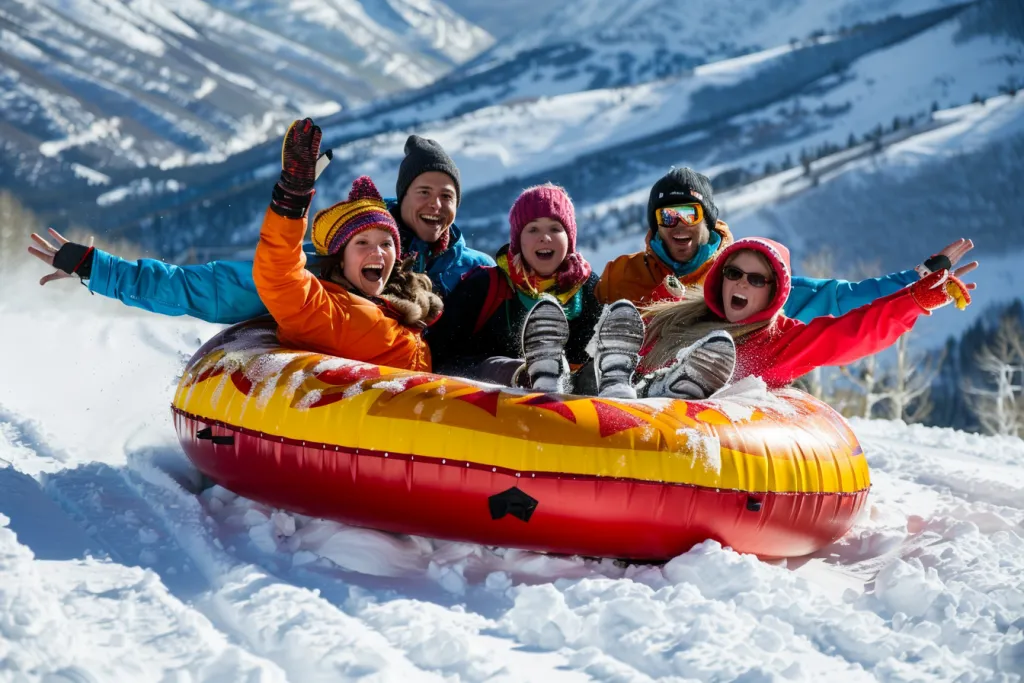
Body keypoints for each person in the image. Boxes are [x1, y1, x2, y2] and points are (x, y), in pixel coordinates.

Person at [28, 136, 491, 323]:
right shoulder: (328, 267)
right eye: (424, 191)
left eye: (447, 195)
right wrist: (97, 268)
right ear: (403, 197)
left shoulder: (474, 272)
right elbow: (206, 288)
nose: (435, 204)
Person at [594, 167, 978, 321]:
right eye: (666, 216)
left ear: (707, 219)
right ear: (654, 224)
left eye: (688, 214)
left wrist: (918, 280)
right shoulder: (622, 276)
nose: (677, 225)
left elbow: (840, 297)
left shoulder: (743, 274)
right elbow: (578, 315)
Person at [634, 236, 976, 399]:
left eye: (756, 279)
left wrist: (916, 296)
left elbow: (851, 330)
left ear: (775, 292)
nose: (741, 283)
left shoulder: (780, 341)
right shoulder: (683, 314)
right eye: (734, 273)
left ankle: (678, 386)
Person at [253, 119, 440, 371]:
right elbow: (279, 274)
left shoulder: (408, 304)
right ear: (341, 258)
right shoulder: (327, 312)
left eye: (386, 243)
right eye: (362, 242)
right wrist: (292, 197)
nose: (377, 252)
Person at [427, 184, 645, 397]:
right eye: (533, 229)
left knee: (593, 371)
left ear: (569, 239)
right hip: (493, 402)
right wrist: (504, 370)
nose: (545, 237)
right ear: (517, 240)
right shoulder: (484, 285)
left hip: (574, 405)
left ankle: (615, 383)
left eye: (555, 228)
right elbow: (439, 356)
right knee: (498, 366)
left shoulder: (587, 290)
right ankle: (534, 375)